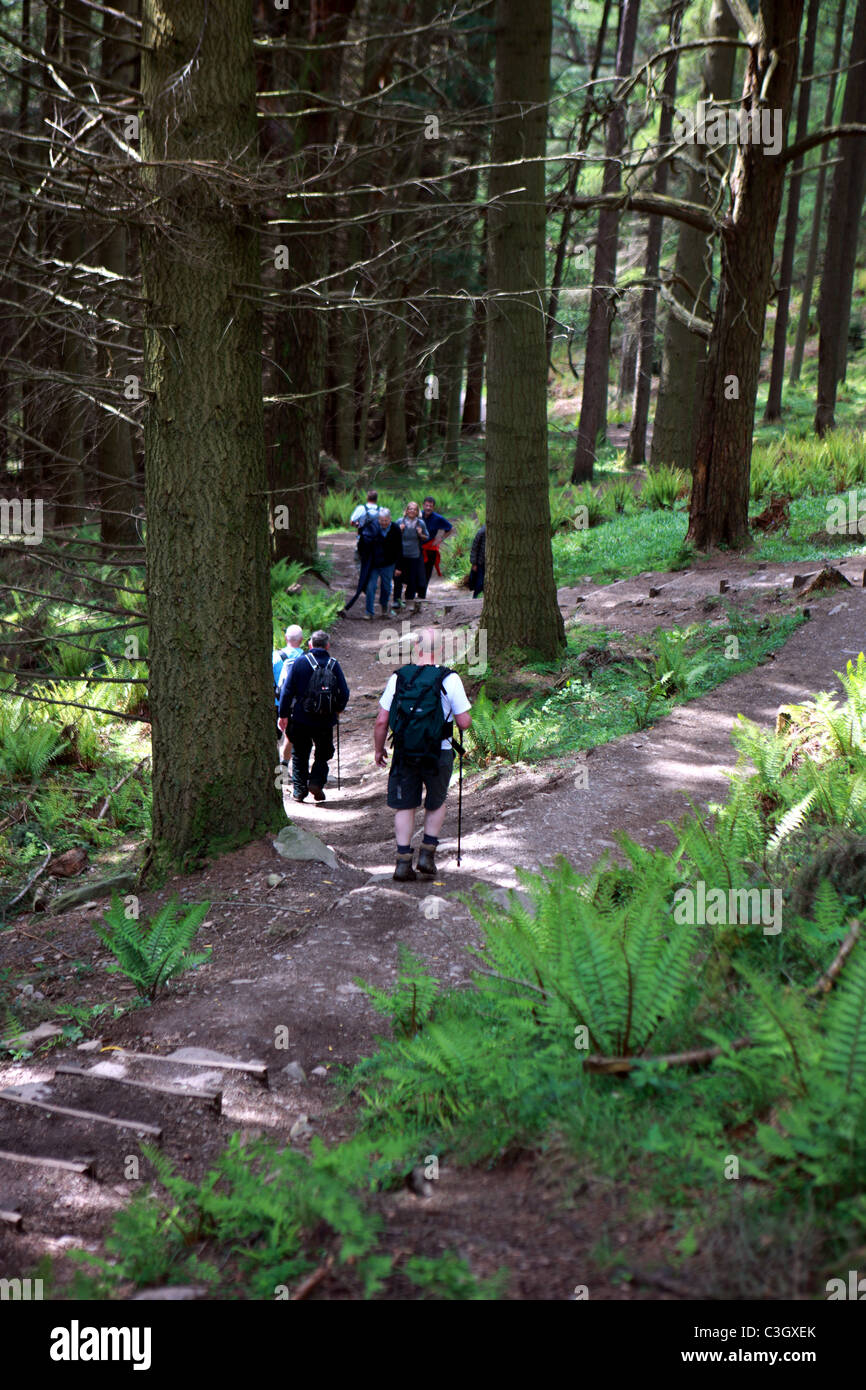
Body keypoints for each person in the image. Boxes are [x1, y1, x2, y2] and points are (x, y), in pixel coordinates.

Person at [374, 627, 472, 881]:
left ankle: (403, 862)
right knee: (436, 800)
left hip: (405, 752)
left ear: (416, 648)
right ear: (440, 649)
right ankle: (427, 854)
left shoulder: (399, 677)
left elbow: (381, 721)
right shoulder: (449, 679)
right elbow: (464, 722)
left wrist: (378, 749)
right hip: (439, 752)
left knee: (405, 805)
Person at [278, 629, 349, 802]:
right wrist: (337, 709)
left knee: (300, 753)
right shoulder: (333, 664)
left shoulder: (300, 662)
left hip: (301, 717)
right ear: (327, 645)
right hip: (325, 719)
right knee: (323, 753)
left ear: (310, 644)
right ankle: (316, 782)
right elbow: (344, 692)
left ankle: (299, 790)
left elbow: (287, 691)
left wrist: (284, 714)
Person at [361, 507, 402, 620]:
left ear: (390, 519)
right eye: (381, 520)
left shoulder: (395, 528)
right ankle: (369, 612)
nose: (383, 523)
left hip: (389, 564)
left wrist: (398, 567)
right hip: (374, 564)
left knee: (386, 587)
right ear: (378, 519)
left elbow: (399, 548)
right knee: (371, 586)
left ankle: (384, 608)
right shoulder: (373, 528)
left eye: (386, 520)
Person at [272, 625, 303, 765]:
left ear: (285, 638)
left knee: (275, 736)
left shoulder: (275, 656)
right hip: (297, 704)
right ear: (301, 640)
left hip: (276, 702)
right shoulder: (306, 658)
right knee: (290, 736)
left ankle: (275, 766)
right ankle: (284, 763)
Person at [391, 501, 429, 615]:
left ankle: (409, 601)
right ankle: (397, 601)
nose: (412, 511)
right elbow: (392, 537)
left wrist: (420, 533)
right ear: (406, 510)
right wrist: (400, 530)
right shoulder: (399, 522)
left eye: (414, 509)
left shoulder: (420, 523)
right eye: (410, 509)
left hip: (414, 555)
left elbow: (426, 537)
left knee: (412, 579)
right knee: (398, 578)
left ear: (417, 512)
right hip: (401, 555)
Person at [418, 496, 453, 597]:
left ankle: (422, 595)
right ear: (423, 505)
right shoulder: (418, 515)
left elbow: (450, 529)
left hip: (430, 549)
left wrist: (440, 539)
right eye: (426, 505)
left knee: (427, 572)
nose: (428, 507)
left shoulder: (438, 518)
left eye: (431, 506)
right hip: (417, 548)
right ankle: (414, 591)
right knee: (416, 571)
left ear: (433, 507)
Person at [469, 522, 485, 598]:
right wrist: (474, 563)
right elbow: (474, 548)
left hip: (489, 563)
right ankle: (475, 599)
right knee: (479, 584)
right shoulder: (482, 531)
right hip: (480, 563)